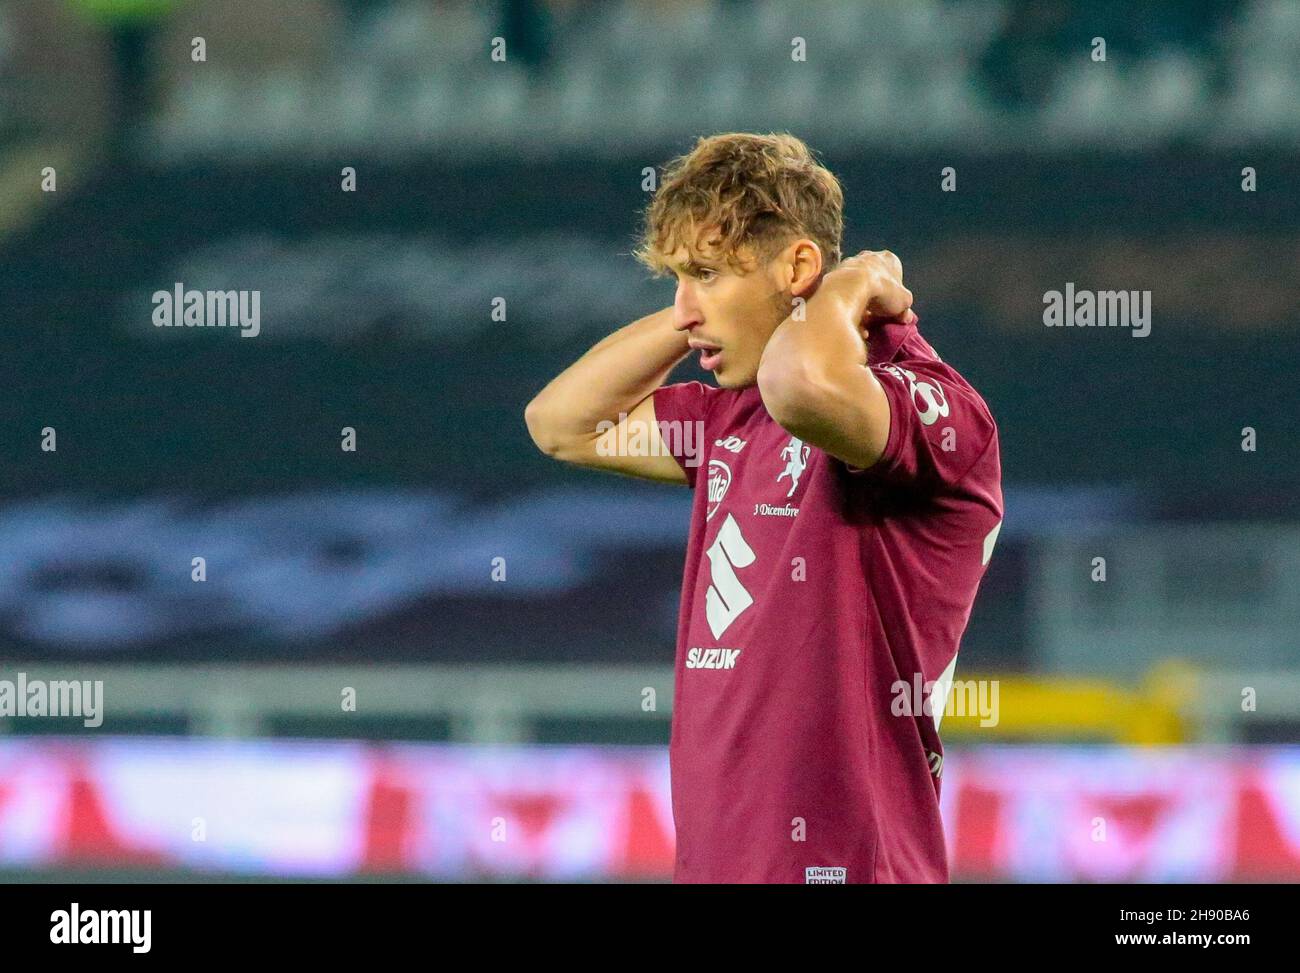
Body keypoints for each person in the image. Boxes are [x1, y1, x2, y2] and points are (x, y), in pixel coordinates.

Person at [525, 132, 1003, 883]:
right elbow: (561, 424)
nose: (684, 309)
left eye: (707, 275)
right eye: (678, 278)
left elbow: (806, 386)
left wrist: (847, 288)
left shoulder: (925, 401)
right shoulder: (730, 417)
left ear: (800, 266)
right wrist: (703, 314)